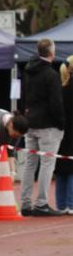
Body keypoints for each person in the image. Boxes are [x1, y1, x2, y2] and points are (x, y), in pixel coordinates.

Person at [21, 38, 65, 215]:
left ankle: (25, 203)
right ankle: (41, 203)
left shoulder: (28, 71)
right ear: (52, 54)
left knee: (30, 164)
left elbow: (24, 97)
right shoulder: (51, 75)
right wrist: (61, 122)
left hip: (30, 122)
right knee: (47, 164)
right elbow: (56, 102)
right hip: (48, 125)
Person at [55, 56, 73, 214]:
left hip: (60, 133)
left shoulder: (61, 89)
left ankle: (61, 205)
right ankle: (71, 204)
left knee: (61, 169)